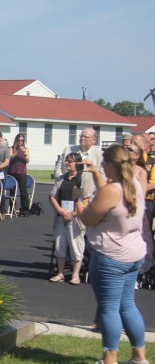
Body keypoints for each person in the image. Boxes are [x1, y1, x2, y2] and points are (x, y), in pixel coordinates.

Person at [74, 145, 148, 364]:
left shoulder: (111, 190)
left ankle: (109, 359)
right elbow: (110, 193)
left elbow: (87, 219)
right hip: (134, 254)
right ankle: (139, 356)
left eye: (102, 164)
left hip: (111, 256)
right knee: (127, 304)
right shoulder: (134, 184)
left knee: (108, 308)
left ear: (109, 164)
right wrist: (96, 174)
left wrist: (79, 200)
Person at [48, 152, 91, 285]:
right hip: (61, 216)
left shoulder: (84, 178)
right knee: (60, 245)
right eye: (66, 161)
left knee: (75, 246)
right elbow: (52, 196)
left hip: (76, 218)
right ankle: (60, 273)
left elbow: (87, 200)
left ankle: (75, 275)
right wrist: (60, 210)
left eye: (70, 161)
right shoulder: (61, 179)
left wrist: (73, 213)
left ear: (77, 163)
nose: (67, 163)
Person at [9, 133, 31, 216]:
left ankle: (25, 210)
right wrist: (17, 151)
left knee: (23, 191)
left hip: (22, 172)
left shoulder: (26, 149)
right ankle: (12, 209)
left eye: (22, 140)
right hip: (13, 171)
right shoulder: (12, 148)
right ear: (16, 140)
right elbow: (10, 157)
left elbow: (28, 160)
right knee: (12, 191)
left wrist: (24, 152)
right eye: (19, 140)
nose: (20, 142)